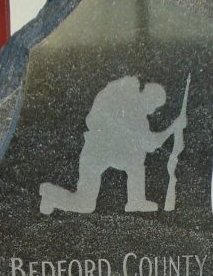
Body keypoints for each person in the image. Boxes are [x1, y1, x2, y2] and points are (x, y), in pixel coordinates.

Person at [39, 76, 182, 214]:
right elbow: (150, 144)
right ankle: (136, 200)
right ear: (149, 97)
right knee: (135, 157)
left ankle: (51, 195)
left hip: (96, 150)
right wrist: (173, 128)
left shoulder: (125, 97)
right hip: (102, 151)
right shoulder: (134, 109)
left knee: (84, 203)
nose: (152, 111)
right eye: (154, 105)